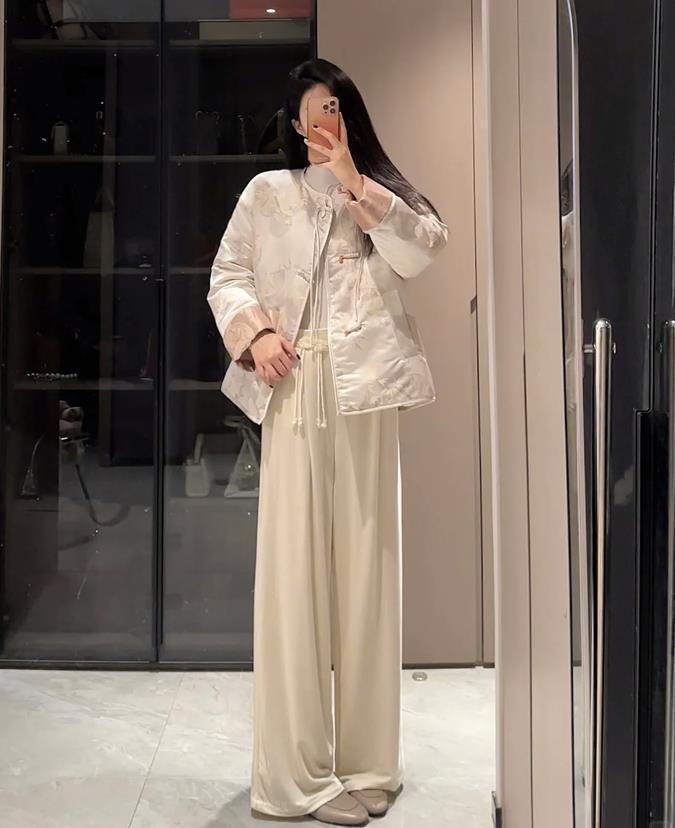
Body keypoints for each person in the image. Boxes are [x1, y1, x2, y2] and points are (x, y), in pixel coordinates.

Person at [207, 58, 448, 826]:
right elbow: (227, 276)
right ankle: (294, 780)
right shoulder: (266, 193)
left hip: (367, 395)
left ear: (351, 117)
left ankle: (370, 763)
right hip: (295, 394)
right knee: (293, 584)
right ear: (292, 122)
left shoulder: (377, 194)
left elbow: (423, 251)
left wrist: (355, 184)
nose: (325, 121)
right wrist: (256, 334)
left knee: (370, 580)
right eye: (313, 109)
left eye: (336, 107)